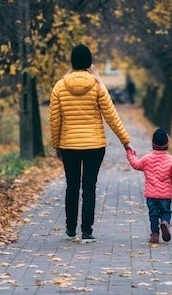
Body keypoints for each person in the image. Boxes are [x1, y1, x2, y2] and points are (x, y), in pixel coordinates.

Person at [49, 44, 134, 243]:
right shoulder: (98, 85)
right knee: (89, 187)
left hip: (69, 145)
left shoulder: (59, 86)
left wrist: (57, 145)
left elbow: (55, 120)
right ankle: (87, 231)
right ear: (89, 62)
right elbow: (111, 116)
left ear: (72, 61)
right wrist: (126, 141)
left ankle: (71, 229)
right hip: (95, 146)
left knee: (71, 186)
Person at [126, 128, 172, 244]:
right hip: (165, 196)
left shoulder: (147, 159)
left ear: (152, 143)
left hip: (151, 195)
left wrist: (130, 153)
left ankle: (154, 234)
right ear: (167, 144)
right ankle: (165, 223)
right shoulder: (171, 160)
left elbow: (135, 164)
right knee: (166, 212)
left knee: (153, 215)